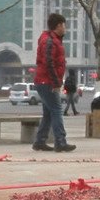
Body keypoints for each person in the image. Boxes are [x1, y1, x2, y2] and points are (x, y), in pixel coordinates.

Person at [32, 13, 75, 152]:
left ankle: (39, 141)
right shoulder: (50, 41)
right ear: (59, 26)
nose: (65, 28)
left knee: (49, 112)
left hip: (44, 80)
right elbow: (49, 63)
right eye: (64, 25)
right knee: (56, 110)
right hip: (47, 82)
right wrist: (56, 82)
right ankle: (60, 141)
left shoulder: (51, 40)